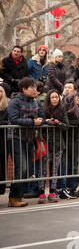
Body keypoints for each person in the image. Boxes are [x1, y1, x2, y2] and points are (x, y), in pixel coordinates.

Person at [7, 77, 45, 207]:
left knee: (27, 169)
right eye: (32, 87)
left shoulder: (36, 102)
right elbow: (13, 119)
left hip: (30, 139)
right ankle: (13, 197)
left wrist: (40, 121)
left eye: (35, 87)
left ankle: (19, 195)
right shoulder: (15, 101)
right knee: (20, 167)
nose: (35, 90)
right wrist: (32, 122)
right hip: (16, 138)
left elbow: (42, 116)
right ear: (24, 89)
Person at [40, 89, 69, 203]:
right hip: (45, 142)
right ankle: (41, 193)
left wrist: (58, 123)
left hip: (58, 144)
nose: (55, 99)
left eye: (56, 97)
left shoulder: (62, 109)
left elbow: (66, 125)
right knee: (43, 169)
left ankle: (52, 192)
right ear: (48, 98)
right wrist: (46, 121)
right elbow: (39, 122)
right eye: (52, 97)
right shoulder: (43, 109)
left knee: (54, 170)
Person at [0, 85, 10, 196]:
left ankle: (2, 187)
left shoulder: (7, 105)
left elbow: (8, 121)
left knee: (3, 163)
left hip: (4, 138)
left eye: (1, 91)